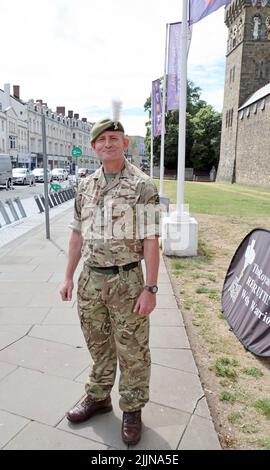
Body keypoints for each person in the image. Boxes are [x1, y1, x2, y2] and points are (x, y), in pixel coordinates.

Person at [60, 115, 160, 445]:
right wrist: (68, 278)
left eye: (114, 139)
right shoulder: (86, 185)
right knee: (98, 344)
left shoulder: (143, 185)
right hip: (90, 280)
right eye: (101, 140)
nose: (107, 144)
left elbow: (150, 238)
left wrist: (150, 288)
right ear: (93, 147)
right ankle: (99, 397)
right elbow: (76, 235)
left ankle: (132, 409)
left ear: (124, 144)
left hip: (127, 281)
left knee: (132, 349)